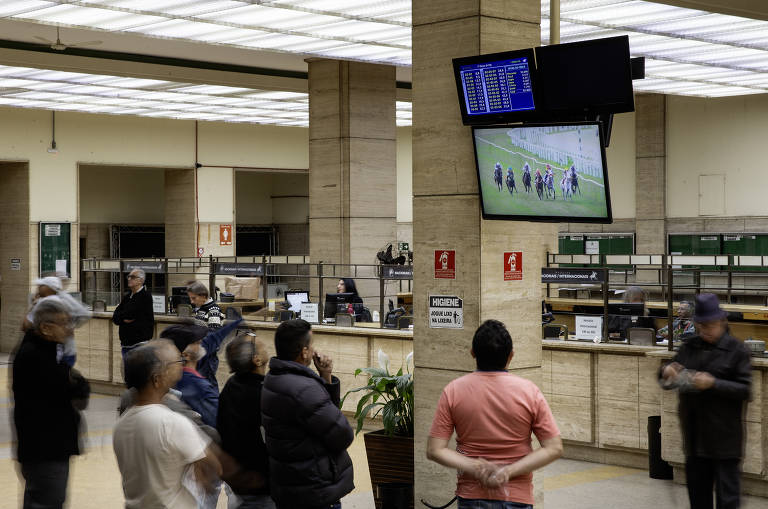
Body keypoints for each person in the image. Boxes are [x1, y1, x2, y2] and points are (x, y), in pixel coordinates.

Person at [427, 320, 562, 509]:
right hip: (517, 497)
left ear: (473, 353)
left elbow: (434, 450)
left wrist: (474, 467)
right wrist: (508, 471)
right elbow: (554, 448)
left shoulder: (453, 391)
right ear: (511, 356)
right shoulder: (529, 392)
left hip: (471, 496)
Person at [659, 293, 751, 509]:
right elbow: (669, 377)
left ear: (722, 321)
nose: (706, 331)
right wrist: (666, 371)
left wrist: (713, 383)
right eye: (701, 326)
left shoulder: (737, 351)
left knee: (727, 501)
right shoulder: (689, 347)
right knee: (698, 499)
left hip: (725, 441)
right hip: (695, 439)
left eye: (710, 326)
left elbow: (745, 390)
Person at [113, 341, 222, 509]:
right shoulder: (171, 422)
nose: (180, 365)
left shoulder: (121, 425)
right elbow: (215, 465)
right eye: (174, 363)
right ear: (157, 379)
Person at [261, 319, 354, 509]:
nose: (314, 351)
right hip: (313, 488)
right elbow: (342, 434)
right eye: (311, 345)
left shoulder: (274, 378)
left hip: (291, 484)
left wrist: (325, 377)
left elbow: (324, 418)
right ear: (304, 352)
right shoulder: (304, 389)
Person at [12, 295, 91, 509]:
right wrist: (75, 384)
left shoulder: (46, 350)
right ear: (46, 328)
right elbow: (73, 389)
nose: (70, 329)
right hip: (45, 449)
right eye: (64, 323)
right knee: (47, 500)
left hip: (45, 447)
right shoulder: (35, 356)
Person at [218, 332, 273, 509]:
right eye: (259, 342)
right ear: (256, 360)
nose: (264, 343)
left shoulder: (232, 385)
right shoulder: (262, 395)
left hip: (238, 485)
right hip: (259, 488)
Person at [161, 313, 244, 390]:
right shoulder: (197, 388)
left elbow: (214, 338)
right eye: (196, 342)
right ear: (185, 355)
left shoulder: (198, 351)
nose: (201, 342)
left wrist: (238, 321)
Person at [22, 276, 89, 367]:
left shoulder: (45, 302)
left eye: (41, 285)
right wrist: (71, 326)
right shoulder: (66, 298)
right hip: (69, 351)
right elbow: (85, 314)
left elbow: (25, 325)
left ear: (48, 288)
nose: (38, 288)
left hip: (54, 354)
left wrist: (33, 305)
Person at [113, 268, 155, 358]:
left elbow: (130, 314)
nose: (129, 279)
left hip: (139, 344)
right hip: (126, 344)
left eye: (132, 277)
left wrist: (122, 316)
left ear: (140, 280)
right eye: (128, 276)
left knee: (138, 371)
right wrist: (123, 319)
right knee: (127, 371)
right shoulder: (127, 296)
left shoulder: (145, 296)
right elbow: (115, 317)